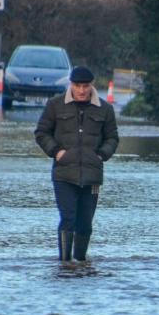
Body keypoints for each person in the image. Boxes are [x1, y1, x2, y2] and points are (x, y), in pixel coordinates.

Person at [34, 66, 119, 261]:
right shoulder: (55, 105)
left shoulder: (105, 109)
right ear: (71, 84)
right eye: (78, 85)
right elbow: (41, 133)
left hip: (92, 176)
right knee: (68, 218)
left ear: (92, 85)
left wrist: (101, 155)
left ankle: (81, 263)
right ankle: (65, 264)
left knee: (85, 224)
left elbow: (112, 138)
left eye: (85, 86)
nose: (81, 90)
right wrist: (57, 152)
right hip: (63, 174)